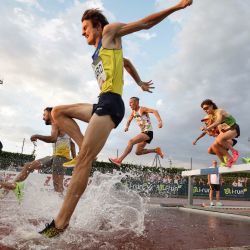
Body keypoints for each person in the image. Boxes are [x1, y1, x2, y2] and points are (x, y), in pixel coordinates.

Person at [39, 0, 192, 237]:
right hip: (102, 101)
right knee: (58, 111)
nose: (83, 34)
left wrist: (177, 7)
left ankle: (60, 224)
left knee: (83, 163)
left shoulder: (110, 32)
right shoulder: (102, 50)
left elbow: (145, 23)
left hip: (111, 104)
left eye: (86, 29)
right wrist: (139, 81)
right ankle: (82, 147)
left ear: (99, 26)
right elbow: (127, 63)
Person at [0, 107, 76, 196]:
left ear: (51, 114)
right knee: (28, 166)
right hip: (55, 156)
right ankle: (14, 185)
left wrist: (37, 136)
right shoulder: (62, 126)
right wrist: (75, 160)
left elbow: (53, 139)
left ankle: (64, 207)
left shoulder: (56, 124)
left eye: (44, 115)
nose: (43, 118)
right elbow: (72, 144)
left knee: (58, 187)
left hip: (61, 158)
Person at [109, 97, 163, 166]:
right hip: (144, 133)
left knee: (131, 141)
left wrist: (159, 121)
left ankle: (119, 160)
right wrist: (127, 127)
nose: (130, 105)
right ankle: (156, 150)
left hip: (148, 132)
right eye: (129, 103)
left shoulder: (142, 109)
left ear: (136, 103)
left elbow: (154, 111)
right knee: (138, 152)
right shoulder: (133, 112)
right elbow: (129, 120)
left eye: (131, 103)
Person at [200, 99, 240, 167]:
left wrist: (207, 128)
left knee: (219, 139)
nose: (205, 110)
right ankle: (230, 159)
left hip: (233, 127)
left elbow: (218, 121)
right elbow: (211, 129)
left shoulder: (219, 111)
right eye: (204, 109)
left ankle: (235, 152)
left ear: (211, 106)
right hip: (225, 131)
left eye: (206, 108)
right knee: (214, 145)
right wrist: (206, 129)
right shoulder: (212, 116)